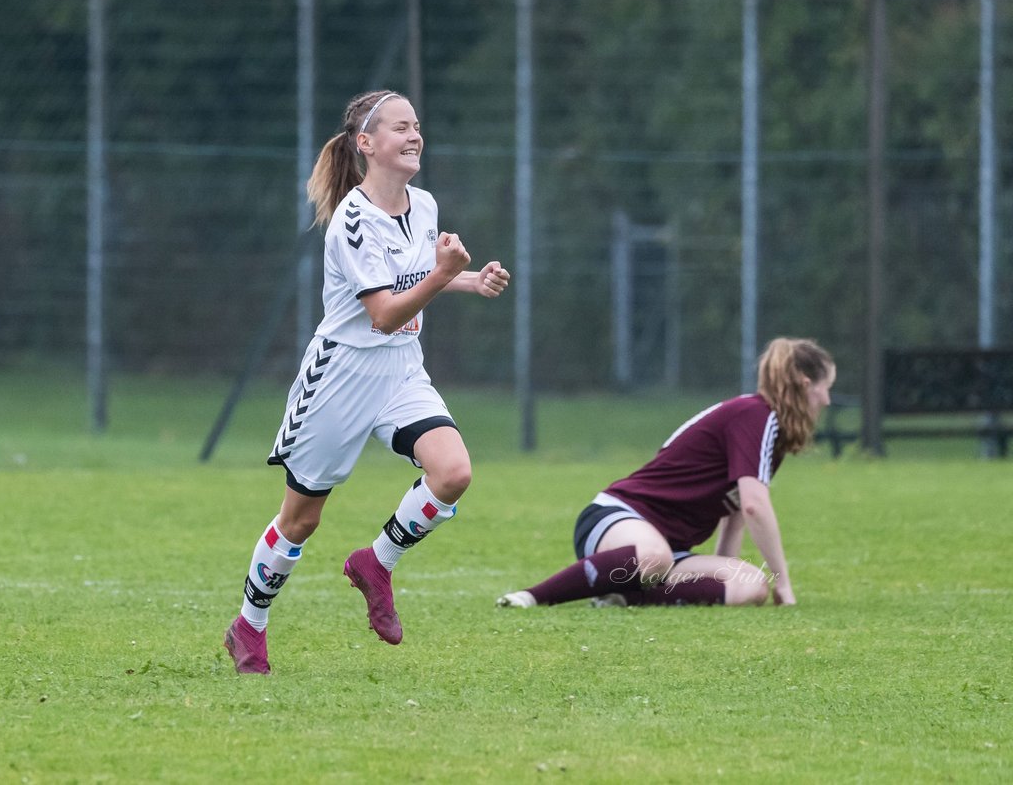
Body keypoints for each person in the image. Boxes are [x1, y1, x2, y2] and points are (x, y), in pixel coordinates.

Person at [224, 89, 511, 674]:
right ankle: (248, 626)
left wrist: (468, 280)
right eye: (400, 127)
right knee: (301, 519)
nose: (414, 136)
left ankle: (375, 563)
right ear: (366, 144)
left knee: (452, 472)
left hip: (401, 368)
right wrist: (444, 273)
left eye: (417, 126)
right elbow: (382, 313)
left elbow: (412, 283)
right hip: (342, 376)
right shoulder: (352, 221)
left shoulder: (423, 205)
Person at [497, 337, 835, 611]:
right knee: (654, 556)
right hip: (615, 519)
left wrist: (724, 568)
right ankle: (532, 597)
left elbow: (735, 512)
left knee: (751, 586)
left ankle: (622, 598)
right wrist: (786, 585)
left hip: (668, 550)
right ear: (806, 384)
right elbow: (753, 506)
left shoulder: (770, 433)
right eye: (825, 388)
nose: (828, 400)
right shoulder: (757, 415)